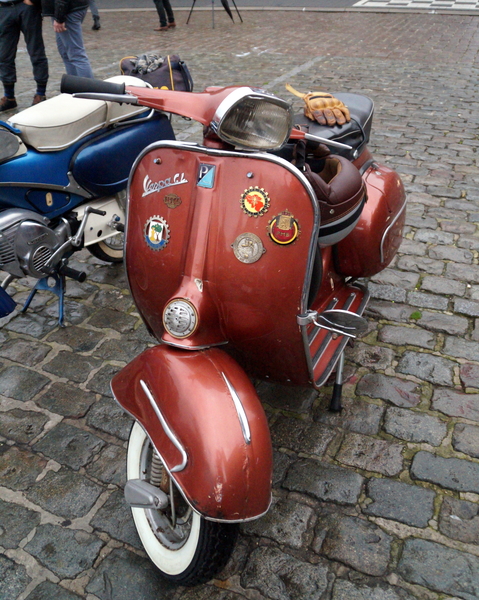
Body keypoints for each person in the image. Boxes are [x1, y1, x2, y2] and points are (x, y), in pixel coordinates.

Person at [0, 0, 49, 112]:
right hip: (4, 8)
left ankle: (40, 94)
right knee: (4, 55)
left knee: (36, 51)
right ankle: (9, 97)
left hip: (25, 7)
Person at [41, 0, 93, 78]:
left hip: (67, 10)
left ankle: (88, 88)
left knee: (76, 54)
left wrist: (59, 18)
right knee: (66, 52)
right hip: (71, 8)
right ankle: (75, 86)